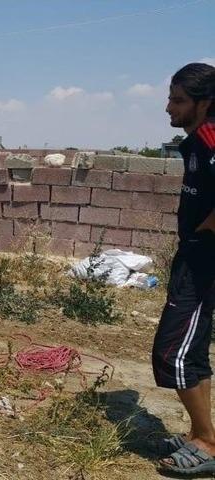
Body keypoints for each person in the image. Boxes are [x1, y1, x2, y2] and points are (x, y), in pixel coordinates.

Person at [152, 62, 215, 476]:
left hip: (203, 259)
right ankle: (200, 432)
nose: (168, 108)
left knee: (172, 352)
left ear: (203, 102)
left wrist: (205, 235)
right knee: (192, 351)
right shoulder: (196, 141)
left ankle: (208, 444)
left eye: (178, 100)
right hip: (195, 254)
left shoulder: (211, 137)